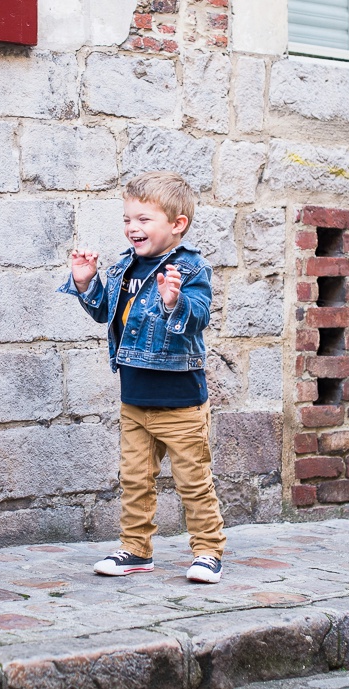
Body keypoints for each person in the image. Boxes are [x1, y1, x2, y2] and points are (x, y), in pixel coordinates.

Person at [58, 171, 226, 583]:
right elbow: (106, 314)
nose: (133, 227)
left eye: (144, 219)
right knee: (134, 479)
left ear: (177, 224)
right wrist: (85, 283)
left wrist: (175, 301)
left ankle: (208, 551)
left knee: (193, 482)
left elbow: (199, 314)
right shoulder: (122, 268)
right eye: (128, 219)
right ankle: (135, 549)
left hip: (180, 401)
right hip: (134, 400)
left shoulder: (189, 268)